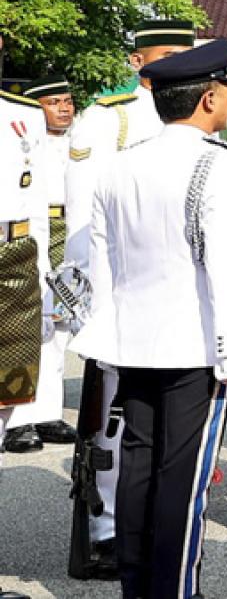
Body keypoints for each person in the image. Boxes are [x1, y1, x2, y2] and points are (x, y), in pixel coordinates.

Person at [71, 39, 227, 598]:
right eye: (226, 89)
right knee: (183, 480)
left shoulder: (119, 167)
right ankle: (175, 590)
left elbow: (101, 263)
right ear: (207, 99)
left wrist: (105, 337)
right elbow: (225, 262)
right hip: (196, 347)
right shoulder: (218, 165)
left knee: (138, 469)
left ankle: (138, 588)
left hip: (134, 342)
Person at [62, 16, 194, 578]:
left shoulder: (196, 117)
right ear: (139, 62)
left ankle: (153, 526)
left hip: (177, 298)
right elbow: (80, 221)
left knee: (164, 422)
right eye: (165, 57)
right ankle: (106, 527)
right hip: (119, 295)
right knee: (112, 421)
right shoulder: (109, 120)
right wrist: (88, 302)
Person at [1, 82, 52, 599]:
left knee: (2, 410)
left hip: (14, 260)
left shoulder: (22, 115)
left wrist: (44, 281)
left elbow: (36, 204)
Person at [13, 76, 79, 449]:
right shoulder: (21, 141)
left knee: (59, 327)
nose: (64, 108)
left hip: (69, 229)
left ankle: (46, 413)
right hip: (33, 228)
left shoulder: (82, 141)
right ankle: (19, 420)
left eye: (68, 101)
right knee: (26, 327)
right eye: (55, 102)